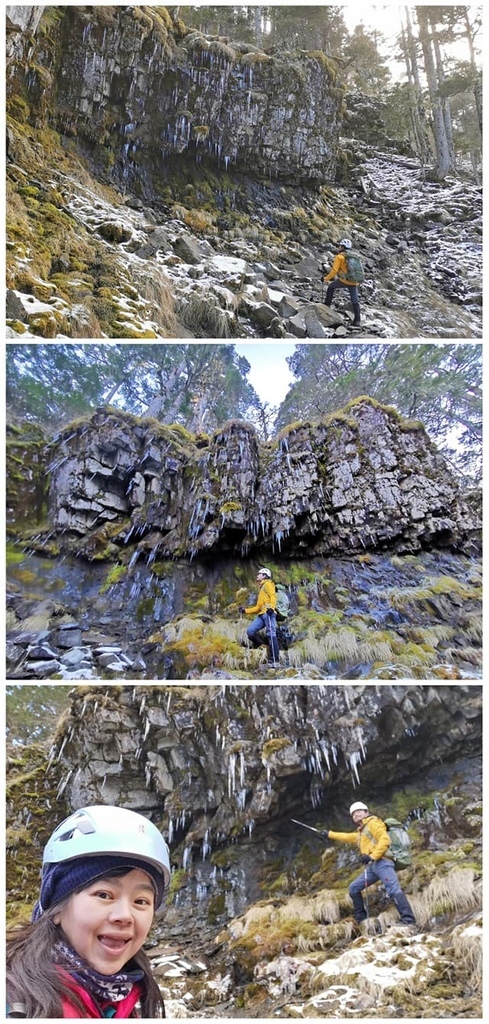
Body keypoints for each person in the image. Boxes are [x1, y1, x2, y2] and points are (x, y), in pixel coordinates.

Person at [6, 805, 171, 1018]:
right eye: (104, 895)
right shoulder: (15, 1004)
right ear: (57, 908)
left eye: (140, 901)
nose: (124, 915)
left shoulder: (126, 999)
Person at [323, 801, 416, 930]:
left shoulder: (373, 823)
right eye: (353, 814)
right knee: (354, 888)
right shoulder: (362, 832)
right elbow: (347, 837)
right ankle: (361, 918)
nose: (356, 815)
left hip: (383, 862)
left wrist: (373, 856)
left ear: (366, 812)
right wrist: (329, 834)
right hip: (373, 867)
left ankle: (408, 920)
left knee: (393, 889)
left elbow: (385, 840)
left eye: (359, 811)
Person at [239, 567, 280, 664]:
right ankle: (263, 646)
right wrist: (245, 611)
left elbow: (273, 596)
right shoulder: (261, 588)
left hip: (269, 613)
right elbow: (258, 607)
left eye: (259, 574)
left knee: (271, 633)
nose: (257, 575)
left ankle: (275, 660)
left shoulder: (268, 584)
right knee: (250, 631)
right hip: (262, 614)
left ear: (265, 576)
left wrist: (272, 608)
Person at [322, 238, 361, 326]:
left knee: (331, 287)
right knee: (355, 300)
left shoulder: (339, 257)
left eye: (340, 246)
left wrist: (325, 279)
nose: (338, 247)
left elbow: (334, 271)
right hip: (354, 281)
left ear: (343, 247)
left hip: (344, 280)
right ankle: (357, 320)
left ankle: (326, 305)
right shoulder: (354, 256)